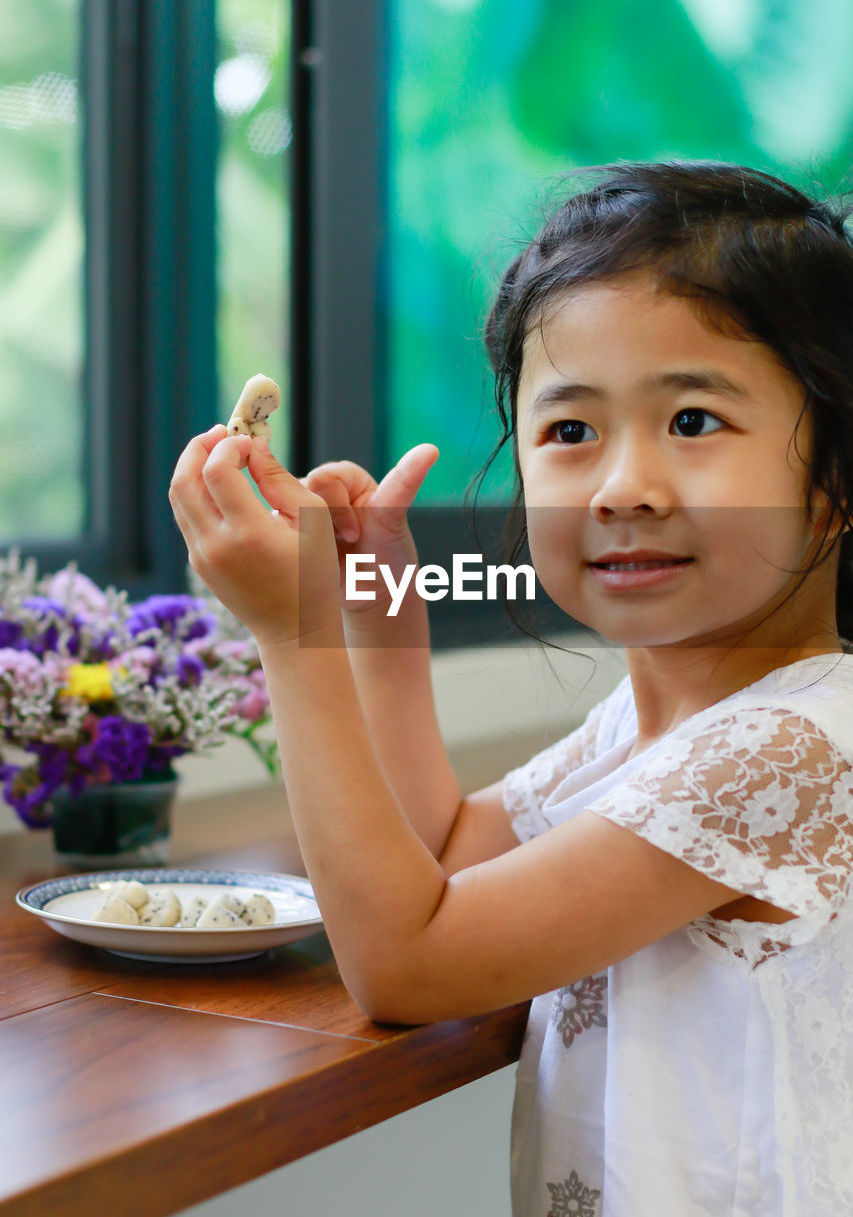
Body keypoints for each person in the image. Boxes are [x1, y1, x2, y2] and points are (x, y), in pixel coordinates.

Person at [169, 160, 853, 1217]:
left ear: (834, 486)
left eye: (693, 421)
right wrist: (374, 614)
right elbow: (436, 855)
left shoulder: (790, 746)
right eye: (572, 430)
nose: (625, 486)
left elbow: (409, 960)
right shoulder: (647, 724)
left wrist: (287, 634)